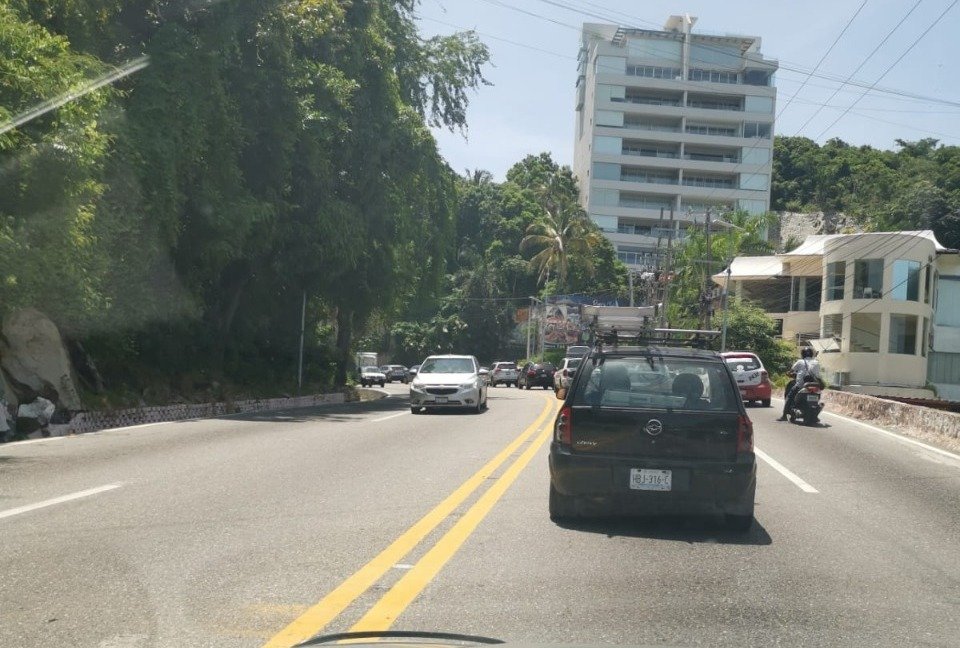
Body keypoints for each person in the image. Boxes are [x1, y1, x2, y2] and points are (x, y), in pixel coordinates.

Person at [777, 347, 822, 421]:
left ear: (803, 354)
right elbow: (817, 374)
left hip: (801, 385)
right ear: (811, 354)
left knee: (789, 397)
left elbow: (791, 371)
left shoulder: (800, 362)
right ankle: (815, 416)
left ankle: (784, 416)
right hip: (815, 385)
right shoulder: (816, 362)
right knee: (817, 399)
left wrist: (789, 373)